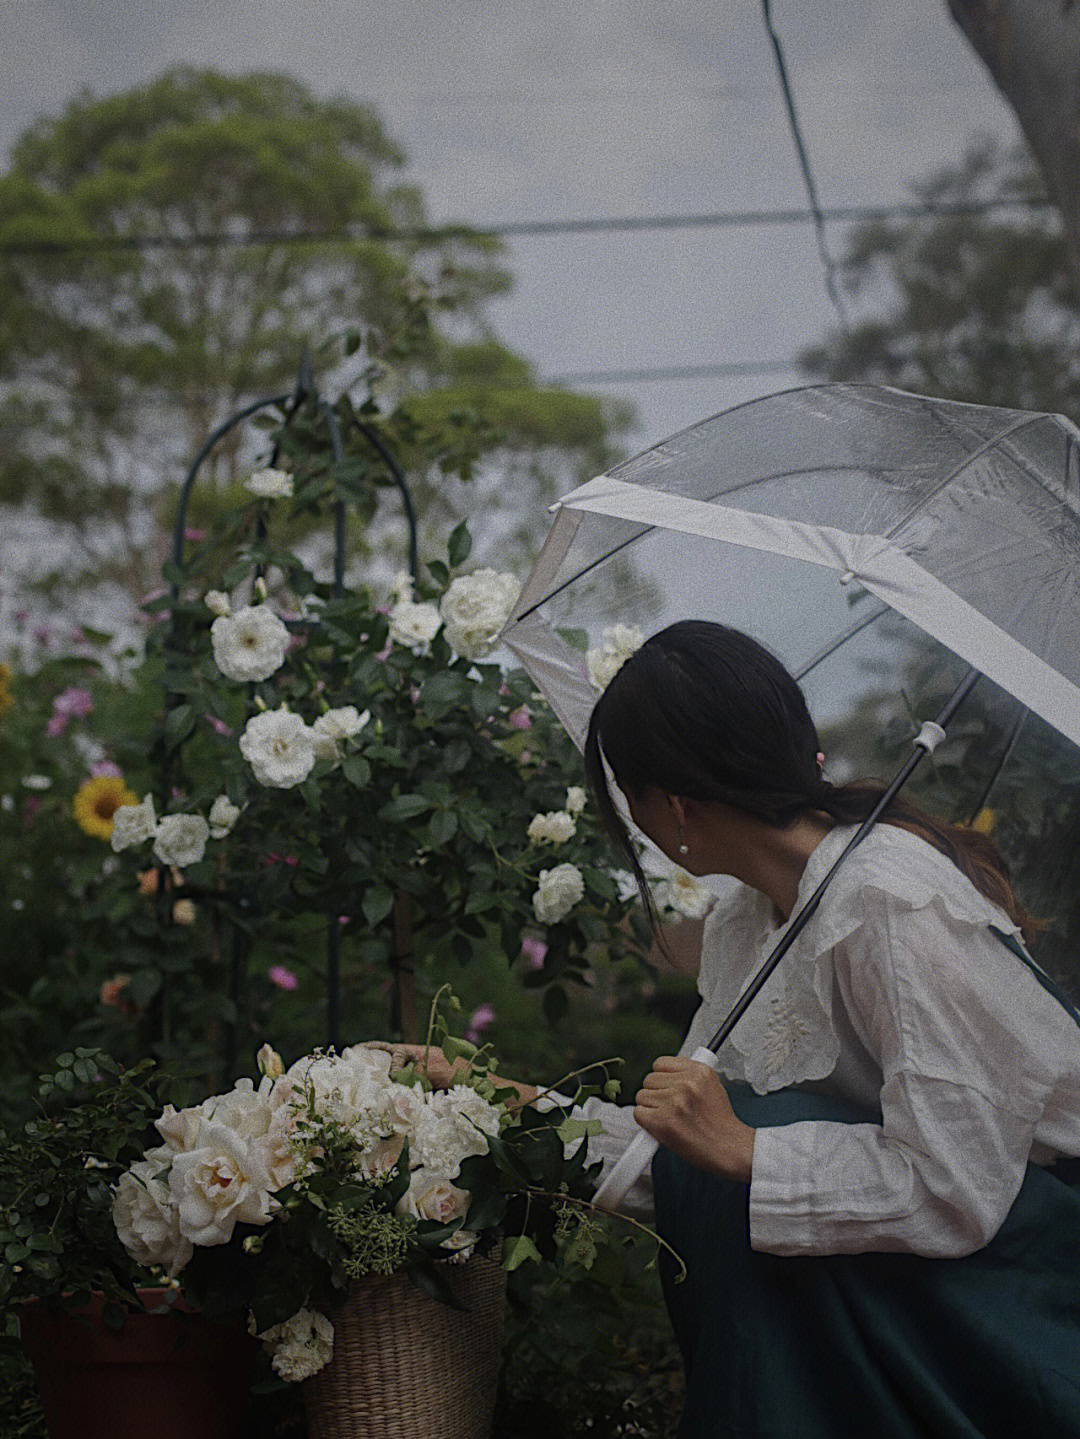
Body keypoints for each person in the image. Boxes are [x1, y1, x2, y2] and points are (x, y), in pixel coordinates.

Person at [388, 620, 1080, 1438]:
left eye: (627, 794)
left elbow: (955, 1187)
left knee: (757, 1138)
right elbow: (679, 1152)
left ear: (674, 803)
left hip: (1031, 1271)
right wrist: (508, 1108)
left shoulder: (888, 901)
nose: (632, 819)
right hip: (927, 1265)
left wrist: (751, 1150)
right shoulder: (748, 919)